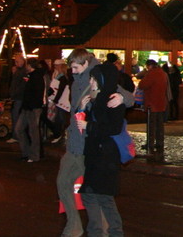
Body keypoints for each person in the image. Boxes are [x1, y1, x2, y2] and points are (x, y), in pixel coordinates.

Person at [57, 49, 131, 237]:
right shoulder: (76, 82)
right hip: (75, 143)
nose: (72, 72)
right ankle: (75, 226)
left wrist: (123, 98)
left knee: (96, 194)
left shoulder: (98, 75)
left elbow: (124, 95)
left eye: (75, 67)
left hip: (90, 147)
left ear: (85, 64)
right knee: (65, 183)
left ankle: (103, 231)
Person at [78, 62, 127, 237]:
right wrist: (83, 110)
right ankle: (97, 232)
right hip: (95, 155)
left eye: (94, 79)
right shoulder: (96, 99)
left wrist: (89, 125)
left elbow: (112, 128)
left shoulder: (112, 99)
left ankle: (113, 233)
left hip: (105, 157)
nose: (91, 82)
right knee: (90, 194)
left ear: (102, 80)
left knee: (104, 197)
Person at [15, 58, 45, 163]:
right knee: (19, 129)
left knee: (33, 132)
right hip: (27, 107)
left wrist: (32, 106)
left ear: (30, 66)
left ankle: (34, 155)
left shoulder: (36, 77)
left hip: (32, 108)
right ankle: (27, 153)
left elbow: (36, 94)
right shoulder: (31, 76)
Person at [138, 59, 168, 155]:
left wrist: (145, 74)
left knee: (151, 124)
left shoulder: (152, 74)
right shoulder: (162, 73)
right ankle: (160, 142)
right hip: (161, 103)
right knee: (160, 124)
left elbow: (142, 85)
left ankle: (150, 143)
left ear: (149, 66)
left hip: (152, 103)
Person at [6, 52, 27, 143]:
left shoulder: (22, 72)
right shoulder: (19, 71)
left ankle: (16, 135)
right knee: (16, 116)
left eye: (17, 61)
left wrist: (14, 94)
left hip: (19, 97)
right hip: (17, 97)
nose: (16, 63)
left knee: (16, 116)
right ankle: (16, 134)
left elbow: (21, 86)